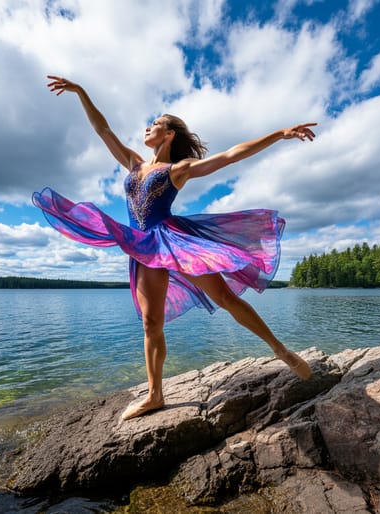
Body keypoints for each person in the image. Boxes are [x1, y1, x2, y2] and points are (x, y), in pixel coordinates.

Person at [34, 75, 317, 421]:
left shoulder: (177, 169)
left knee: (225, 298)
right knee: (151, 323)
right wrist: (81, 92)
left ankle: (281, 350)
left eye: (155, 124)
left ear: (168, 135)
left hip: (173, 240)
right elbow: (102, 130)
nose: (148, 128)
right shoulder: (134, 163)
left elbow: (229, 155)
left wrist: (280, 134)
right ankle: (155, 395)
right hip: (143, 246)